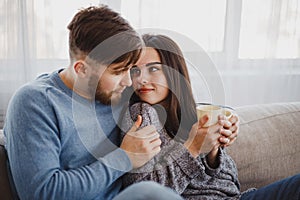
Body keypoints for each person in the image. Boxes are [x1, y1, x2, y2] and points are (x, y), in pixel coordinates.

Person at [3, 6, 183, 200]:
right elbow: (43, 193)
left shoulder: (117, 93)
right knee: (150, 193)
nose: (129, 82)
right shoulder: (35, 103)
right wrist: (124, 157)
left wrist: (205, 136)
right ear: (82, 69)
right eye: (118, 71)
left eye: (130, 69)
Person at [119, 34, 300, 200]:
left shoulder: (197, 113)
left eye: (153, 69)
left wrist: (212, 149)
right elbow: (145, 191)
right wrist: (193, 149)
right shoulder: (140, 115)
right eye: (135, 71)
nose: (141, 79)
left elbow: (230, 183)